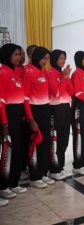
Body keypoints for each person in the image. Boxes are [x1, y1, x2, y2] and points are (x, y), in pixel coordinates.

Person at [0, 44, 35, 202]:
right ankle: (3, 186)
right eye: (15, 54)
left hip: (18, 117)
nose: (19, 57)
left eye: (19, 55)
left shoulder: (17, 73)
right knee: (6, 154)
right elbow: (0, 102)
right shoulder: (2, 73)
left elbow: (24, 100)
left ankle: (13, 183)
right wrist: (4, 124)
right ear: (7, 55)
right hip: (6, 117)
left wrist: (30, 118)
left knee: (18, 150)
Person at [24, 47, 54, 188]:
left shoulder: (44, 71)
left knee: (46, 142)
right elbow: (26, 98)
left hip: (45, 109)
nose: (45, 61)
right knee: (36, 143)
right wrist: (31, 119)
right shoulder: (28, 71)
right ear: (37, 57)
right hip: (34, 110)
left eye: (47, 59)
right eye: (44, 58)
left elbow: (50, 91)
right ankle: (35, 176)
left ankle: (43, 172)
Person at [47, 49, 73, 180]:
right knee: (55, 138)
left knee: (64, 137)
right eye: (60, 58)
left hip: (65, 107)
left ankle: (60, 166)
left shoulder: (62, 73)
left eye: (64, 58)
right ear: (54, 59)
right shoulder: (51, 73)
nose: (63, 61)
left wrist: (67, 78)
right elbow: (56, 92)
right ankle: (53, 168)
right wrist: (64, 78)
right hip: (55, 108)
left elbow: (71, 92)